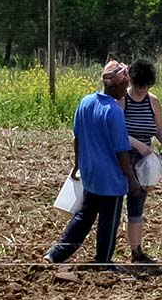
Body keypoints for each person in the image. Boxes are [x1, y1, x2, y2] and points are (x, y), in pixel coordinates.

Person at [44, 61, 138, 270]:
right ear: (114, 85)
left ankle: (56, 253)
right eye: (125, 84)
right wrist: (131, 180)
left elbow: (77, 137)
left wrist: (78, 164)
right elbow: (121, 151)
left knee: (84, 216)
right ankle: (103, 261)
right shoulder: (114, 112)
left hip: (91, 174)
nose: (126, 89)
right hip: (111, 179)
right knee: (109, 220)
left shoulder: (86, 102)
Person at [119, 58, 162, 265]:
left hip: (143, 163)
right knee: (115, 205)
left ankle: (136, 251)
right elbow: (116, 132)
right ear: (130, 81)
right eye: (138, 86)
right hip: (122, 159)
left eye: (146, 86)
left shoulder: (153, 101)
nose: (142, 90)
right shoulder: (121, 99)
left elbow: (158, 130)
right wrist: (139, 146)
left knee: (137, 206)